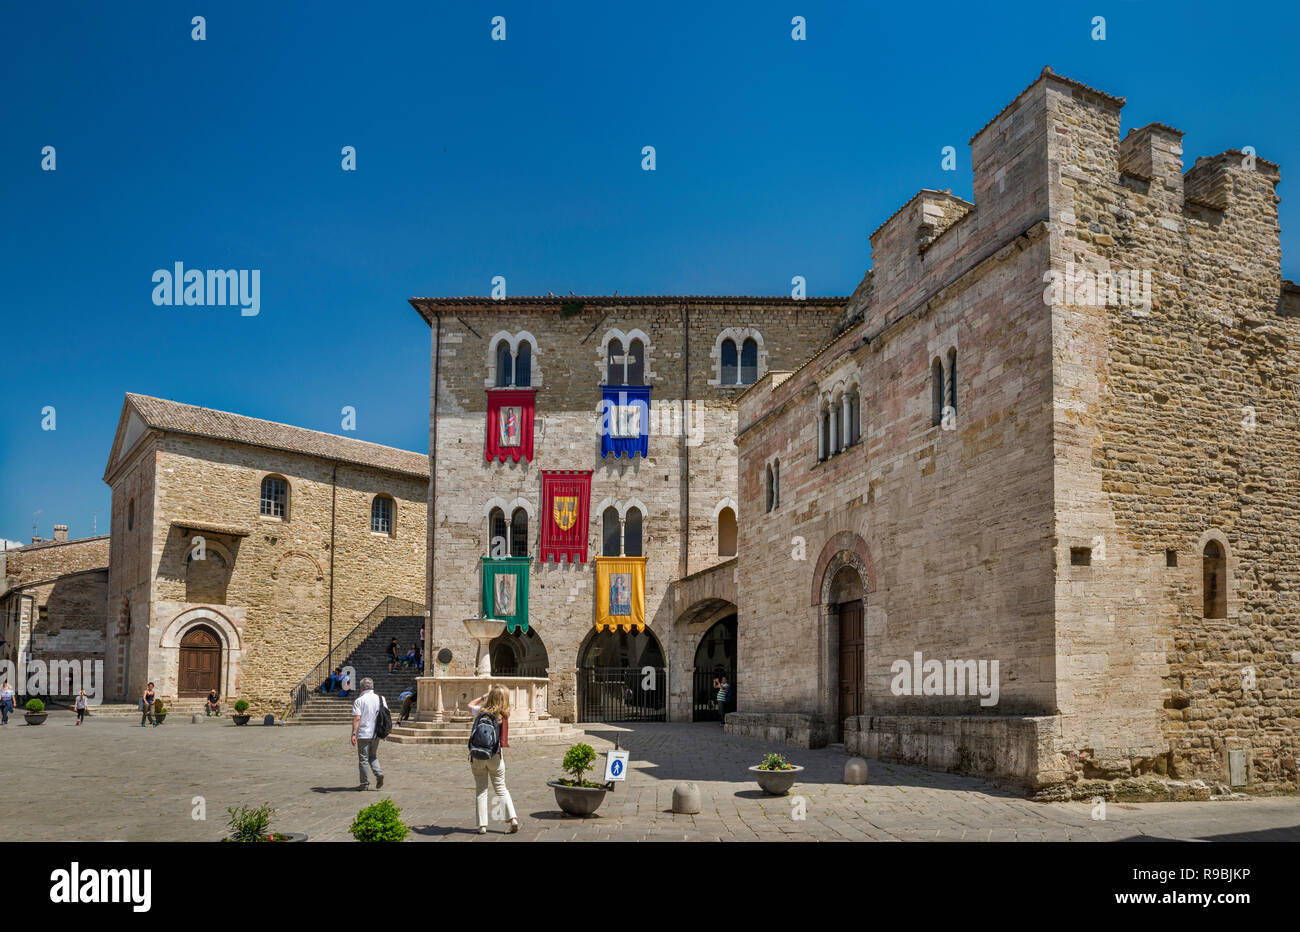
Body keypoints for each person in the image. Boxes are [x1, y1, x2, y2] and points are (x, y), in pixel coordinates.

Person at [467, 685, 518, 835]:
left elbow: (469, 705)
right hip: (495, 755)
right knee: (501, 788)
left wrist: (483, 696)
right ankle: (512, 819)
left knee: (481, 790)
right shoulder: (504, 715)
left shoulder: (480, 712)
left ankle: (482, 826)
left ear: (490, 697)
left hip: (478, 755)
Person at [350, 677, 387, 791]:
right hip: (376, 732)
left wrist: (353, 734)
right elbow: (385, 716)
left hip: (363, 733)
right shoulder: (381, 698)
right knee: (373, 755)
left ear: (361, 688)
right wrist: (386, 731)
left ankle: (364, 783)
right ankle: (378, 772)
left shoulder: (359, 700)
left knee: (363, 759)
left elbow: (357, 718)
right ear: (372, 686)